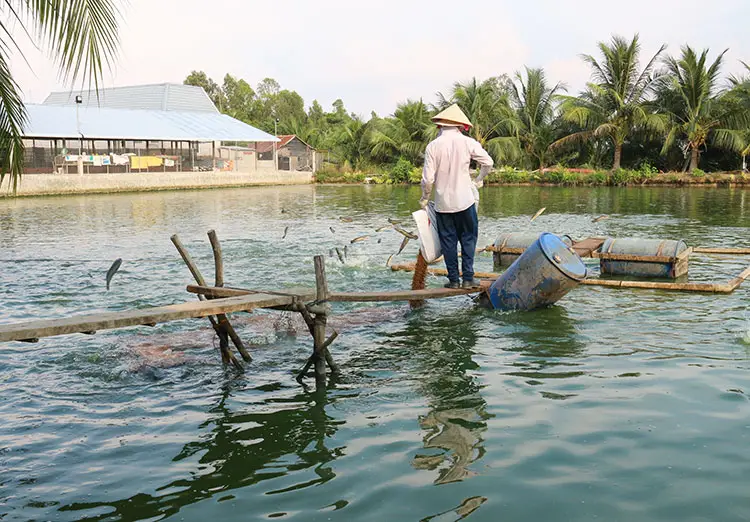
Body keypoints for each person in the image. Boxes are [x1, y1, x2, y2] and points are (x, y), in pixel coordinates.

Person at [420, 104, 494, 289]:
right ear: (460, 126)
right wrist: (479, 179)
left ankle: (453, 280)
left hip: (443, 204)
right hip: (465, 200)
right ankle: (468, 278)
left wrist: (424, 199)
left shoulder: (433, 146)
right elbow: (488, 162)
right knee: (468, 238)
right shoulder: (468, 142)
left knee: (448, 241)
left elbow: (427, 179)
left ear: (441, 125)